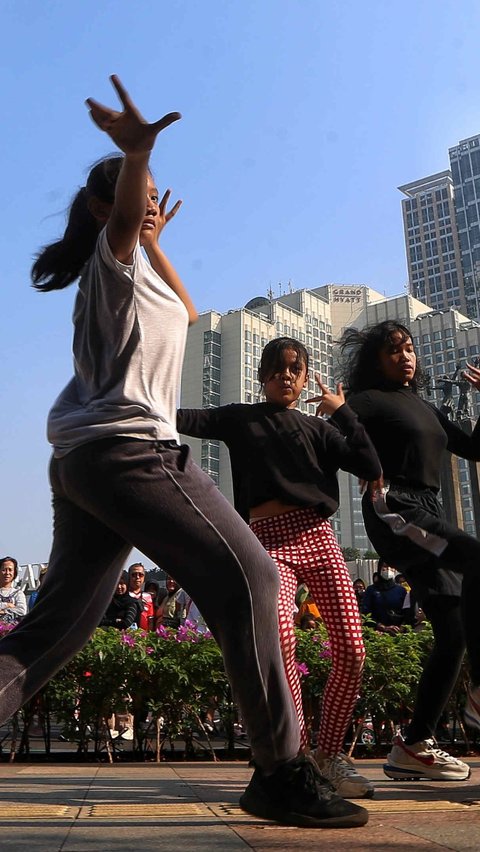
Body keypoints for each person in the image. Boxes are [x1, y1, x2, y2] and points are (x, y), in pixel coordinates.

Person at [0, 76, 366, 829]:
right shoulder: (109, 261)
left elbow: (188, 312)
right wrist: (136, 155)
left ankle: (280, 768)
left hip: (91, 463)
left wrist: (157, 239)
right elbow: (127, 218)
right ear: (110, 208)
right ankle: (280, 772)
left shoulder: (139, 272)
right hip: (131, 453)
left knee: (53, 633)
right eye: (142, 196)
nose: (152, 204)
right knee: (254, 580)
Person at [178, 336, 382, 798]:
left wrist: (341, 411)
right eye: (275, 368)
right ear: (261, 376)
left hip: (318, 536)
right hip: (266, 542)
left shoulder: (320, 429)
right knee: (282, 641)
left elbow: (369, 463)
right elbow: (186, 419)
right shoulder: (241, 418)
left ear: (307, 377)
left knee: (352, 649)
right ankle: (300, 755)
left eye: (295, 368)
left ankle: (329, 756)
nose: (285, 376)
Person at [339, 318, 480, 782]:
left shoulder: (426, 406)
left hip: (429, 509)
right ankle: (479, 693)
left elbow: (476, 449)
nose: (406, 357)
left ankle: (415, 743)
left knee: (455, 631)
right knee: (475, 556)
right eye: (394, 350)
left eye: (410, 349)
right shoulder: (369, 401)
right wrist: (341, 418)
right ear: (376, 361)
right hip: (394, 505)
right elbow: (331, 435)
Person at [361, 560, 410, 635]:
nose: (388, 569)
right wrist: (382, 627)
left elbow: (407, 613)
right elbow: (365, 613)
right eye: (385, 566)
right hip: (378, 634)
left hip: (398, 634)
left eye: (391, 566)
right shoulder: (371, 590)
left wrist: (401, 628)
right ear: (379, 568)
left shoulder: (401, 590)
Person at [0, 557, 27, 626]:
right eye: (4, 570)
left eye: (10, 570)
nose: (7, 573)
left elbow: (22, 611)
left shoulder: (18, 593)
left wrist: (3, 611)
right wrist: (8, 605)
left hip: (12, 633)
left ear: (14, 572)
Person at [127, 563, 155, 630]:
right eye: (134, 575)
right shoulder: (124, 595)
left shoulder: (148, 597)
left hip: (143, 636)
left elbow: (150, 619)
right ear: (129, 577)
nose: (137, 577)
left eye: (141, 575)